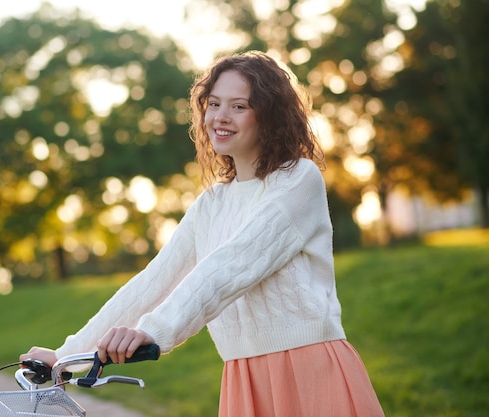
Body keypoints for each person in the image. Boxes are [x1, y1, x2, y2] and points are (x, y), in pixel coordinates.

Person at [20, 50, 385, 417]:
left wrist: (154, 331)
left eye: (239, 106)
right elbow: (155, 281)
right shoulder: (211, 204)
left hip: (308, 372)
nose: (221, 117)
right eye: (214, 104)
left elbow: (235, 263)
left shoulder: (298, 179)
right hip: (244, 379)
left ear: (270, 116)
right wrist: (65, 357)